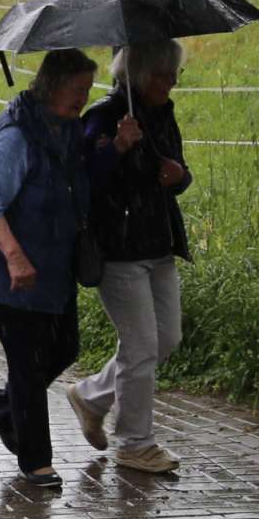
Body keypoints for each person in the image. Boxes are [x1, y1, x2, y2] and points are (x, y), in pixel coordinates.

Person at [0, 48, 97, 489]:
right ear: (54, 85)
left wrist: (118, 145)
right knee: (27, 361)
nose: (84, 99)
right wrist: (15, 256)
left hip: (52, 265)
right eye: (78, 90)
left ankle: (2, 408)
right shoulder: (14, 136)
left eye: (88, 91)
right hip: (6, 268)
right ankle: (36, 462)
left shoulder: (67, 128)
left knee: (65, 347)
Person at [67, 39, 191, 475]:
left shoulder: (163, 114)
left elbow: (178, 170)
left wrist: (179, 176)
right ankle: (136, 443)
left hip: (158, 243)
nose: (171, 81)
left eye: (174, 72)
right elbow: (82, 180)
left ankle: (93, 396)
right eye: (161, 73)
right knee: (140, 348)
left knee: (167, 339)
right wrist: (116, 148)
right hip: (118, 248)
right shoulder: (102, 117)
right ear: (138, 74)